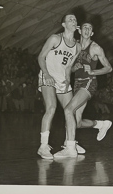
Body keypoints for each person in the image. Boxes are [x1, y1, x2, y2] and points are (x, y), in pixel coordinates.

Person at [54, 21, 113, 158]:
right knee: (76, 122)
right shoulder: (75, 46)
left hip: (89, 83)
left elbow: (109, 68)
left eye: (90, 28)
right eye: (85, 27)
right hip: (77, 83)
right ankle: (101, 124)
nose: (87, 30)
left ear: (91, 33)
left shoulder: (95, 48)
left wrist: (93, 72)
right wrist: (74, 68)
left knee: (68, 110)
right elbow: (72, 68)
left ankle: (70, 148)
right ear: (79, 31)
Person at [37, 13, 81, 159]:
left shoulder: (77, 46)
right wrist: (47, 75)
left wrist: (68, 79)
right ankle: (43, 147)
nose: (74, 21)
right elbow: (41, 56)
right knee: (51, 108)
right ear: (64, 24)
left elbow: (68, 66)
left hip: (62, 79)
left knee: (70, 111)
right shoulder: (55, 38)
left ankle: (70, 144)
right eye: (70, 19)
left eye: (75, 19)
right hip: (48, 76)